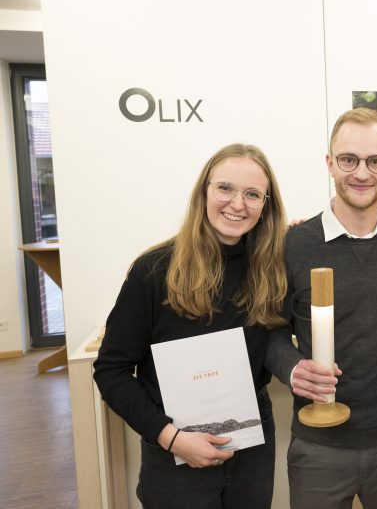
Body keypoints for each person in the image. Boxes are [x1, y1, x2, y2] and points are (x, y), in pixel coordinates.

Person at [93, 144, 288, 508]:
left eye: (252, 194)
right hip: (174, 453)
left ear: (265, 207)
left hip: (251, 447)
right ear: (204, 192)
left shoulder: (272, 270)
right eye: (225, 188)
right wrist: (170, 438)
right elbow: (111, 371)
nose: (237, 203)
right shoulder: (152, 271)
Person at [266, 108, 377, 509]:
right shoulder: (294, 244)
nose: (361, 173)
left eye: (375, 161)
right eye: (348, 160)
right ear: (329, 164)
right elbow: (269, 331)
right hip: (319, 447)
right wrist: (291, 367)